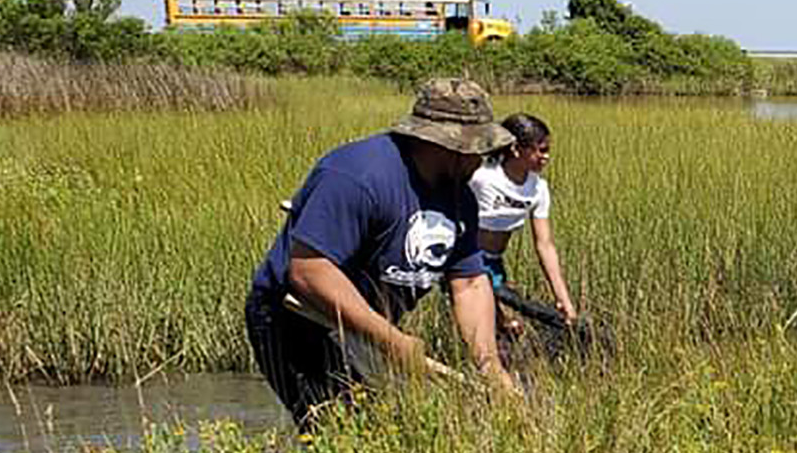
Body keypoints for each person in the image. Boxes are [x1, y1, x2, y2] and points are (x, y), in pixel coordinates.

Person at [245, 78, 519, 428]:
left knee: (396, 428)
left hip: (369, 325)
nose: (482, 161)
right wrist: (391, 340)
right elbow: (310, 271)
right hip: (298, 318)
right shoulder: (356, 175)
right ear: (445, 144)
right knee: (343, 432)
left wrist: (490, 366)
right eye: (477, 150)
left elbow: (468, 283)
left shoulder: (460, 195)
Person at [470, 113, 577, 325]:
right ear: (516, 149)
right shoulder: (481, 177)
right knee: (490, 323)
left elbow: (545, 245)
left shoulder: (537, 189)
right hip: (466, 258)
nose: (546, 157)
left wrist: (563, 298)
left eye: (548, 150)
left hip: (494, 263)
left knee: (505, 327)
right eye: (541, 150)